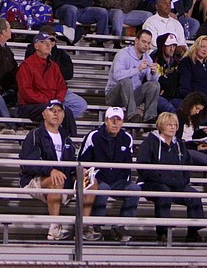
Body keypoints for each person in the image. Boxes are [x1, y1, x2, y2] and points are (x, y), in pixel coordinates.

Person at [19, 99, 99, 242]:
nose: (56, 114)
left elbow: (71, 163)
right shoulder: (35, 134)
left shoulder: (66, 138)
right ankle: (54, 229)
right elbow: (28, 163)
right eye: (52, 110)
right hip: (36, 180)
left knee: (91, 182)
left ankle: (84, 227)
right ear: (44, 114)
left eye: (59, 111)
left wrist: (81, 171)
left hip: (62, 179)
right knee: (56, 180)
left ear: (63, 116)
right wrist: (51, 170)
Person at [136, 112, 205, 243]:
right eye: (169, 124)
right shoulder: (150, 142)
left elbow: (187, 165)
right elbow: (143, 167)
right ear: (161, 126)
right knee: (164, 193)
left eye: (174, 125)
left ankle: (193, 233)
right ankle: (163, 232)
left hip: (177, 183)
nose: (173, 127)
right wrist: (162, 178)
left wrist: (183, 180)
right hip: (153, 183)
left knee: (194, 196)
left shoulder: (179, 144)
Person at [79, 106, 140, 241]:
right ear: (106, 120)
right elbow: (82, 161)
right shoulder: (93, 136)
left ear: (122, 122)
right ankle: (96, 226)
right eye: (112, 119)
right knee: (103, 188)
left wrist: (125, 179)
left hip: (118, 180)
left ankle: (120, 226)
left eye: (118, 120)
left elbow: (127, 165)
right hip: (98, 178)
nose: (115, 123)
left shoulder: (127, 138)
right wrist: (90, 180)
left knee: (135, 189)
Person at [16, 31, 86, 135]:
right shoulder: (26, 66)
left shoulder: (54, 66)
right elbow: (26, 92)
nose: (48, 45)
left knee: (66, 112)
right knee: (52, 112)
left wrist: (57, 101)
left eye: (50, 42)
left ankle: (71, 142)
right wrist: (48, 102)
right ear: (36, 46)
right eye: (44, 42)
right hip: (30, 106)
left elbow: (62, 87)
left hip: (50, 103)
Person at [106, 30, 161, 123]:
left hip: (133, 96)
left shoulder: (148, 58)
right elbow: (117, 75)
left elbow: (151, 80)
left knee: (155, 85)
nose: (146, 45)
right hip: (114, 96)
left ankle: (149, 117)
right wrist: (137, 69)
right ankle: (132, 116)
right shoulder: (123, 54)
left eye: (148, 43)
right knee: (126, 81)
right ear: (136, 40)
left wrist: (153, 73)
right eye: (143, 42)